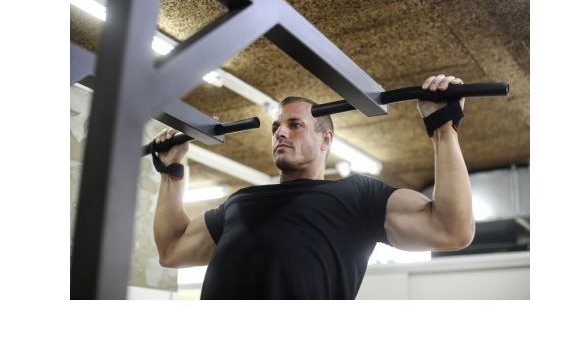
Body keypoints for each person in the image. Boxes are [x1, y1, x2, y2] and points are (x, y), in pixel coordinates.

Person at [153, 74, 475, 299]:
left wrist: (442, 127)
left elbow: (452, 229)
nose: (280, 133)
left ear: (326, 139)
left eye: (294, 125)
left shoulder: (356, 197)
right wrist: (171, 171)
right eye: (276, 127)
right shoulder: (239, 204)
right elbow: (171, 249)